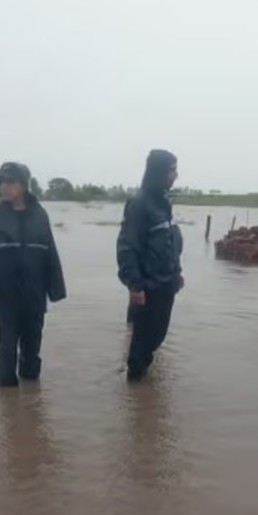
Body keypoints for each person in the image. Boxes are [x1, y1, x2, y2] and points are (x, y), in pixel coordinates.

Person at [0, 162, 66, 387]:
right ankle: (7, 402)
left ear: (24, 184)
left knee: (33, 344)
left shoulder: (40, 214)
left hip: (35, 291)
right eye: (1, 182)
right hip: (7, 292)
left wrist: (56, 289)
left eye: (10, 181)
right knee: (7, 345)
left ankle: (31, 396)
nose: (4, 186)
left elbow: (50, 251)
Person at [117, 149, 183, 381]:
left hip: (167, 283)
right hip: (148, 286)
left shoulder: (163, 204)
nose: (176, 175)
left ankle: (142, 381)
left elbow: (170, 242)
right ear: (160, 172)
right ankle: (136, 398)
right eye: (172, 170)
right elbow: (127, 248)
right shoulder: (139, 204)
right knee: (142, 343)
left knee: (157, 337)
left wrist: (178, 272)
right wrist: (135, 285)